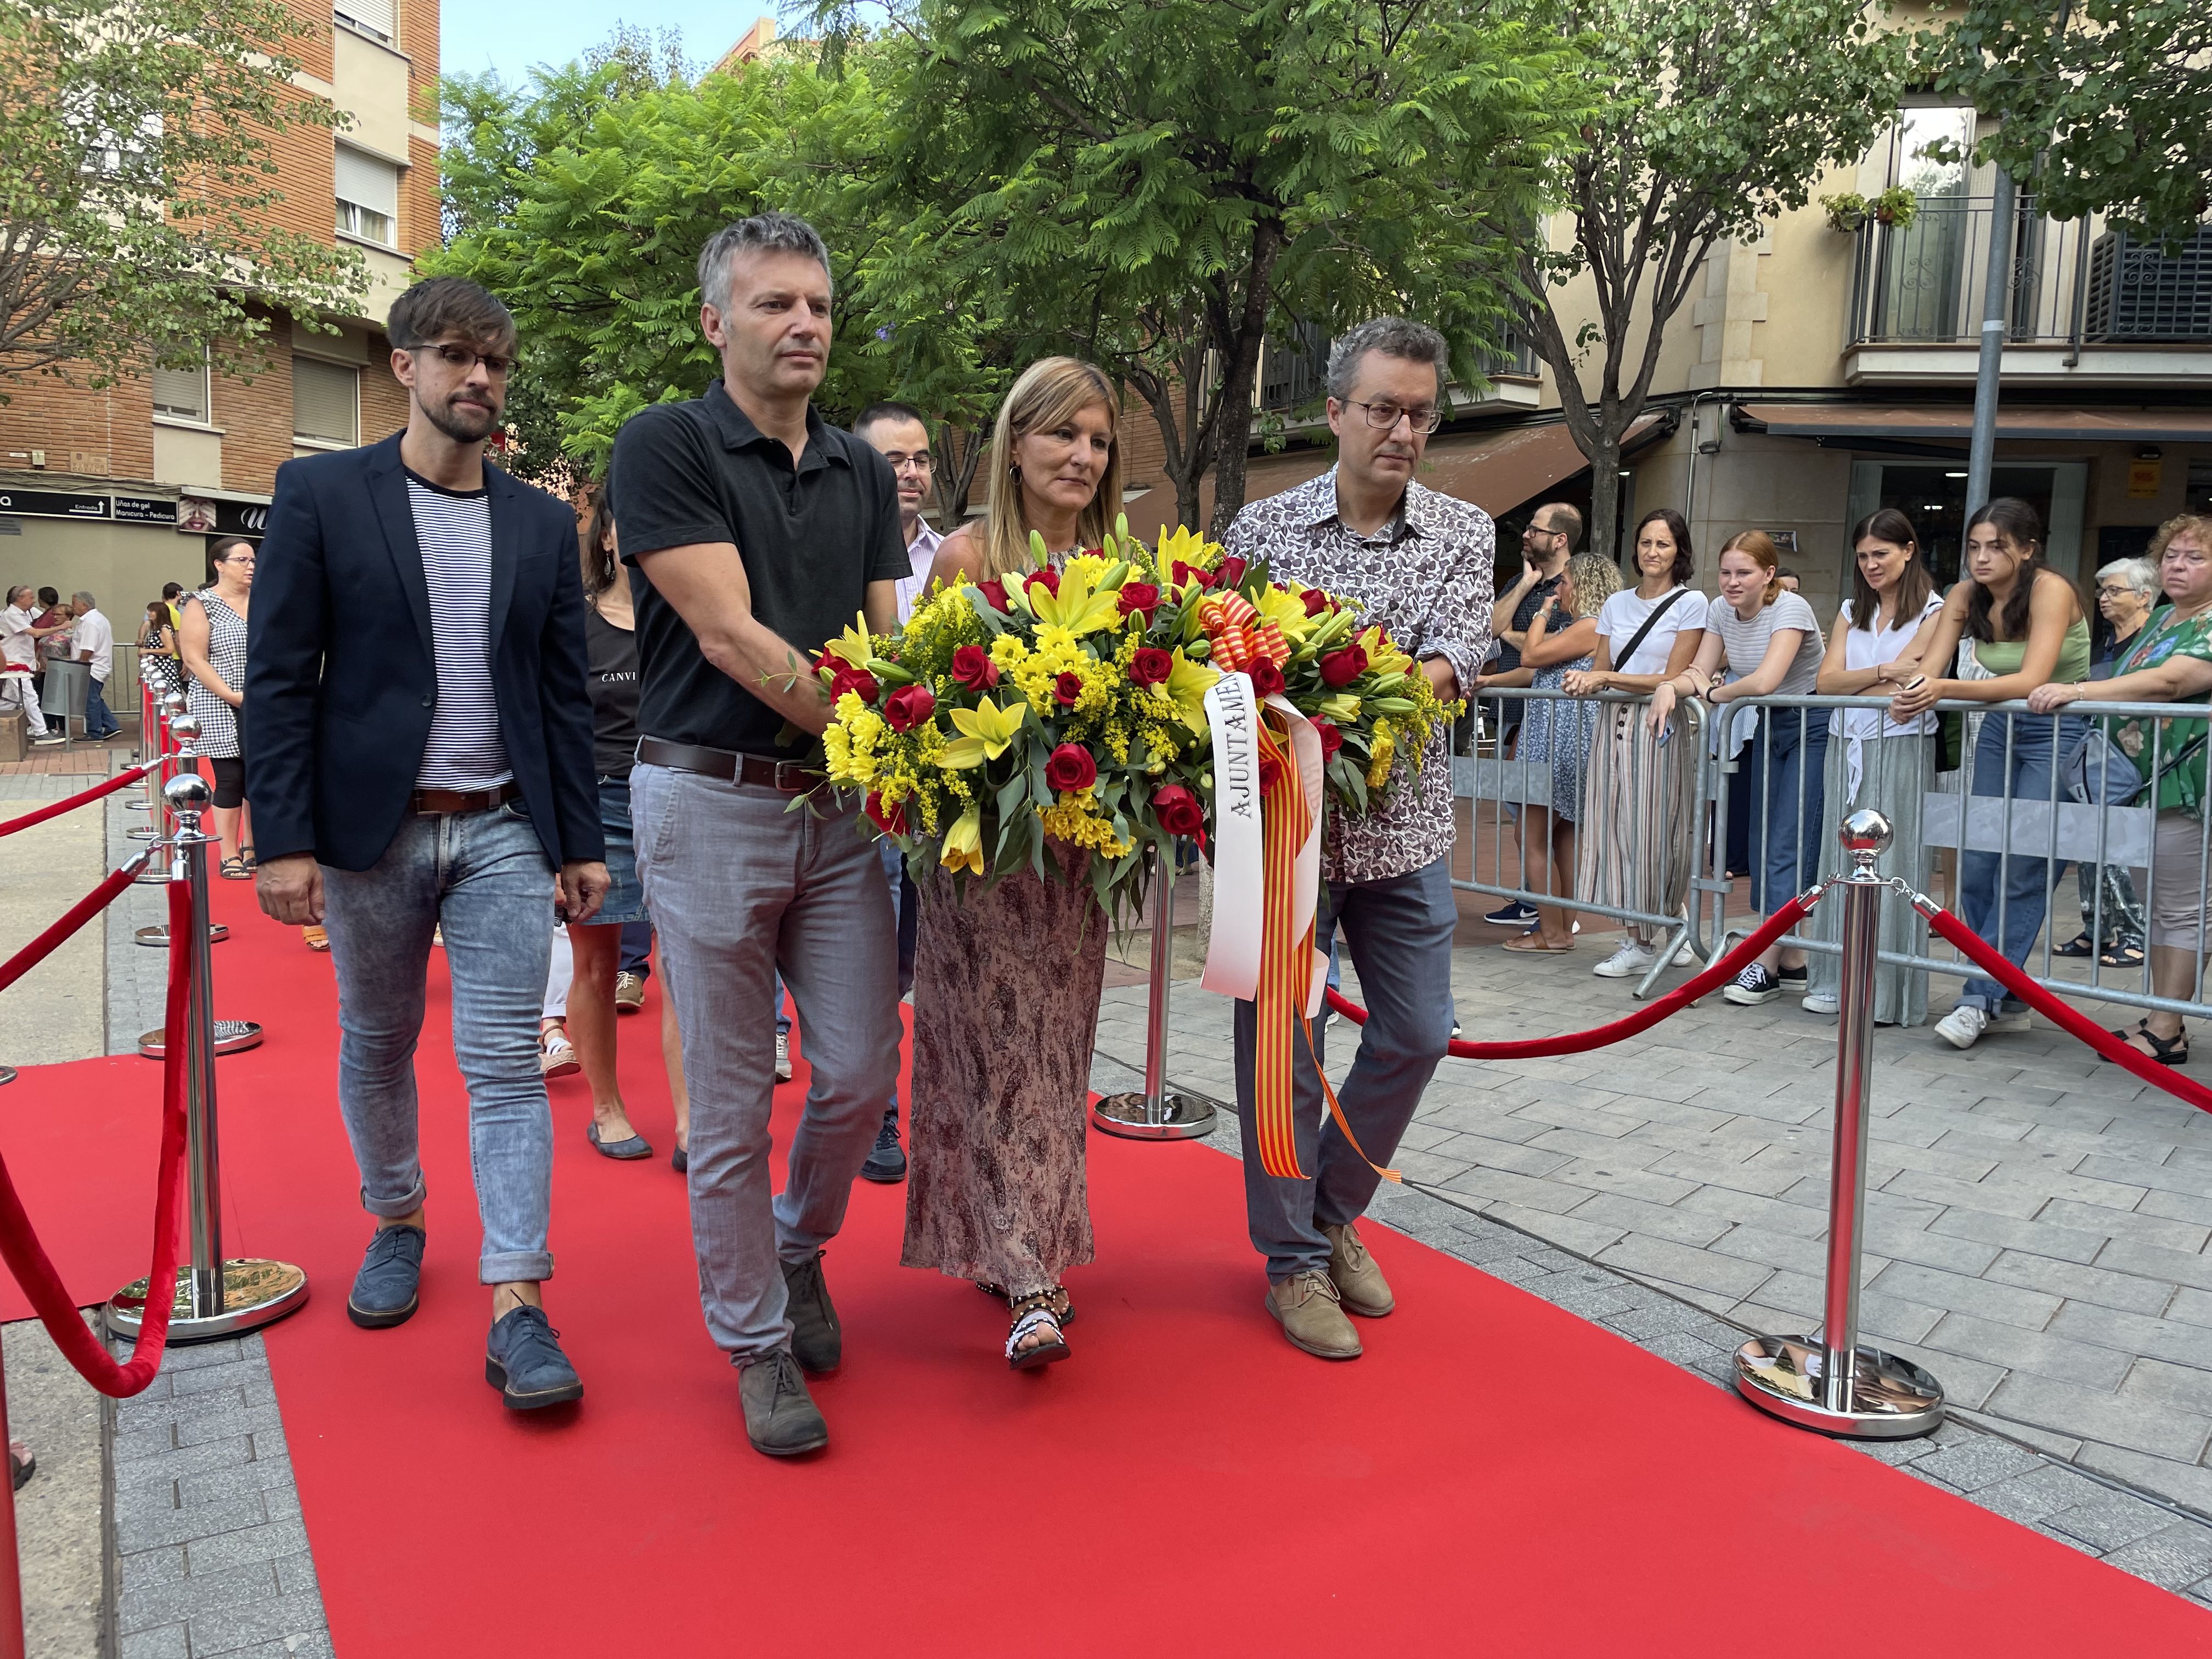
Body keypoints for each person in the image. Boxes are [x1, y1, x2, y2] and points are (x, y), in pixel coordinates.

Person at [247, 275, 608, 1412]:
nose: (479, 379)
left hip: (502, 825)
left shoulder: (542, 523)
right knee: (377, 1035)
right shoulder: (321, 495)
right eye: (455, 357)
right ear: (403, 366)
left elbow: (561, 696)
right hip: (370, 835)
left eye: (494, 361)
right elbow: (278, 678)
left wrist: (579, 838)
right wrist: (283, 838)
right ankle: (396, 1217)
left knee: (502, 1062)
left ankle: (519, 1303)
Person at [609, 213, 905, 1458]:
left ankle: (795, 1252)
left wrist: (908, 733)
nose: (805, 326)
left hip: (840, 812)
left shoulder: (865, 469)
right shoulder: (665, 444)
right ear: (714, 322)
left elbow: (891, 640)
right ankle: (753, 1342)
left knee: (855, 1074)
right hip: (708, 797)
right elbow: (728, 635)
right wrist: (889, 730)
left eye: (820, 307)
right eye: (776, 303)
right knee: (728, 1104)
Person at [1221, 316, 1493, 1361]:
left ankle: (1330, 1207)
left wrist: (1336, 697)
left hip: (1404, 827)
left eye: (1420, 413)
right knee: (1281, 1049)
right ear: (1333, 410)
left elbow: (1452, 662)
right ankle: (1289, 1257)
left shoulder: (1464, 533)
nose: (1402, 430)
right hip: (1280, 832)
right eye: (1381, 408)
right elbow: (1230, 664)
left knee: (1419, 1029)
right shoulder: (1262, 530)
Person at [906, 357, 1121, 1370]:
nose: (1082, 456)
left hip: (1079, 859)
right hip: (980, 854)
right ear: (1015, 443)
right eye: (1062, 435)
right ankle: (1030, 1273)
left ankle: (1018, 1237)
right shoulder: (962, 557)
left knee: (1054, 1051)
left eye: (1097, 439)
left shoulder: (1125, 566)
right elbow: (918, 710)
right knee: (988, 1045)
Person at [1889, 498, 2091, 1050]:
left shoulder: (2051, 589)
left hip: (2059, 732)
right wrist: (1910, 697)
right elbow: (1930, 668)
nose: (1981, 557)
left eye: (1996, 546)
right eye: (1974, 546)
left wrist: (1943, 691)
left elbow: (2032, 678)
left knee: (2023, 868)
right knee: (1977, 867)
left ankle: (1978, 998)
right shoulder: (1963, 594)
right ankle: (2009, 993)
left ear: (2027, 550)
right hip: (2002, 729)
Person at [2027, 515, 2212, 1065]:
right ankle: (2162, 1013)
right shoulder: (2161, 618)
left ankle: (2167, 1026)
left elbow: (2173, 681)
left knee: (2181, 908)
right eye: (2173, 555)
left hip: (2186, 783)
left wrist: (2079, 691)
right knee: (2158, 905)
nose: (2178, 566)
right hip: (2143, 783)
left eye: (2196, 557)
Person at [562, 492, 691, 1170]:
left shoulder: (689, 612)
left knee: (682, 965)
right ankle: (606, 1108)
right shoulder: (574, 619)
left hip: (679, 798)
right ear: (606, 537)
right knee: (598, 964)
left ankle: (691, 1122)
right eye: (628, 524)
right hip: (600, 800)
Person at [1650, 531, 1826, 1006]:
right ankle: (1792, 961)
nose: (1731, 582)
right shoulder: (1720, 608)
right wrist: (1673, 686)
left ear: (1769, 575)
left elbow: (1765, 680)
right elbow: (1701, 668)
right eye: (1726, 572)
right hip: (1769, 724)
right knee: (1763, 839)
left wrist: (1707, 693)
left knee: (1788, 840)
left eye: (1743, 573)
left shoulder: (1790, 608)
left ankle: (1765, 961)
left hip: (1814, 723)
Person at [1802, 510, 1945, 1024]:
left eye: (1881, 553)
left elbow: (1914, 686)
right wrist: (1882, 671)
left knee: (1895, 863)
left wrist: (1864, 681)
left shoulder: (1935, 611)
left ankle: (1886, 991)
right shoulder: (1849, 609)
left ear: (1908, 550)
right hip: (1846, 744)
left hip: (1902, 746)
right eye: (1863, 555)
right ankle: (1833, 978)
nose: (1870, 564)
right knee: (1839, 861)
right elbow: (1826, 683)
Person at [850, 399, 944, 1183]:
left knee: (915, 962)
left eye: (918, 459)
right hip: (863, 800)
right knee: (871, 960)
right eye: (891, 461)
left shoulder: (956, 559)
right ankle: (877, 1116)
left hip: (944, 804)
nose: (909, 472)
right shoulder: (839, 556)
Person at [1562, 507, 1706, 978]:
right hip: (1613, 723)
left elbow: (1672, 676)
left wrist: (1602, 676)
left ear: (1678, 551)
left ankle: (1652, 933)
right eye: (1646, 542)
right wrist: (1587, 681)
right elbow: (1603, 670)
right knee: (1614, 827)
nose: (1652, 552)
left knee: (1655, 828)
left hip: (1660, 724)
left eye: (1663, 544)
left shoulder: (1691, 603)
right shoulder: (1616, 604)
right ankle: (1646, 931)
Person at [1500, 550, 1621, 952]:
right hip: (1560, 738)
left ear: (1583, 585)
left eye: (1564, 582)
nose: (1559, 589)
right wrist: (1487, 681)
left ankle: (1550, 932)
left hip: (1560, 742)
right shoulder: (1587, 627)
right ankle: (1563, 928)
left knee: (1530, 835)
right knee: (1563, 836)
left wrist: (1542, 612)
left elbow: (1531, 654)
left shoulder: (1590, 625)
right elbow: (1536, 671)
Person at [1476, 505, 1578, 927]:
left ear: (1560, 539)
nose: (1526, 536)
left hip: (1555, 720)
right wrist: (1526, 587)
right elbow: (1490, 627)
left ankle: (1557, 915)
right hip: (1518, 714)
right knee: (1530, 821)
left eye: (1536, 530)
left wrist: (1517, 638)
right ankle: (1539, 902)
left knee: (1546, 826)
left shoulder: (1580, 583)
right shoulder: (1524, 579)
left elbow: (1553, 651)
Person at [2057, 556, 2158, 968]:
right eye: (2102, 590)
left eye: (2114, 590)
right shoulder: (2109, 640)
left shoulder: (2153, 641)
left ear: (2145, 597)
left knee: (2121, 847)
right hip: (2099, 754)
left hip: (2137, 759)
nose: (2103, 598)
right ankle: (2096, 928)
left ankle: (2135, 933)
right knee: (2089, 840)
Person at [179, 540, 256, 876]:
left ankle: (253, 846)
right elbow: (194, 657)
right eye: (242, 560)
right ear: (219, 565)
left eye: (254, 560)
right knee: (230, 778)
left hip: (262, 700)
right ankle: (229, 853)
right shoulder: (202, 603)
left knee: (258, 777)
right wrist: (232, 694)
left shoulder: (264, 601)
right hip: (218, 700)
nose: (251, 565)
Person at [0, 587, 69, 745]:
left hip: (23, 662)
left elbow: (44, 621)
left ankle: (7, 730)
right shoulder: (11, 614)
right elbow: (36, 633)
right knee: (29, 697)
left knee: (9, 701)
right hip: (14, 664)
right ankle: (41, 731)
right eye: (30, 597)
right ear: (19, 599)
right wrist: (61, 627)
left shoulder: (29, 613)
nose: (34, 600)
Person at [70, 591, 119, 741]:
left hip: (91, 667)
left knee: (89, 700)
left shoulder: (90, 622)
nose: (72, 608)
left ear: (84, 605)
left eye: (74, 604)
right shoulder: (97, 619)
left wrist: (81, 667)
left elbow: (88, 649)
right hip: (98, 665)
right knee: (94, 698)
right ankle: (111, 725)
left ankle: (94, 732)